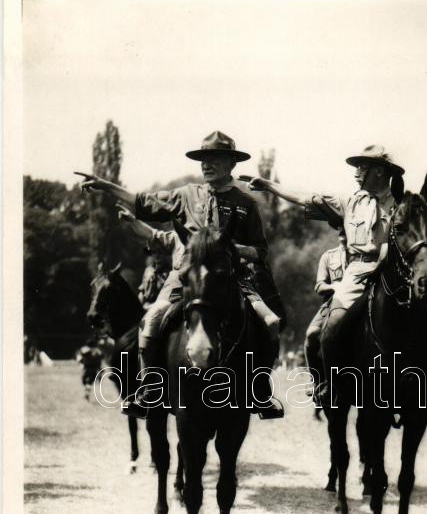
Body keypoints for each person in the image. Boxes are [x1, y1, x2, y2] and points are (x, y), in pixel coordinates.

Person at [76, 131, 285, 419]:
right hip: (184, 279)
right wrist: (106, 186)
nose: (206, 165)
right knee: (149, 322)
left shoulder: (246, 204)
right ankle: (151, 390)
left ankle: (259, 390)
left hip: (232, 279)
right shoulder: (186, 195)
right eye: (203, 159)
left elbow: (260, 251)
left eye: (213, 159)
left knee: (271, 322)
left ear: (230, 163)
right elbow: (142, 202)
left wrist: (226, 248)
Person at [247, 143, 427, 405]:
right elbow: (307, 197)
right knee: (323, 331)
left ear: (380, 172)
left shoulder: (402, 204)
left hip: (394, 272)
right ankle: (327, 384)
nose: (356, 172)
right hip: (356, 273)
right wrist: (268, 185)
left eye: (362, 167)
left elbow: (415, 238)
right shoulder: (351, 202)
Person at [305, 239, 346, 397]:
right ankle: (318, 381)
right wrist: (333, 287)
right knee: (312, 334)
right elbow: (319, 285)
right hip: (332, 302)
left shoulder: (363, 255)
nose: (343, 232)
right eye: (340, 228)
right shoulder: (329, 256)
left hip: (360, 299)